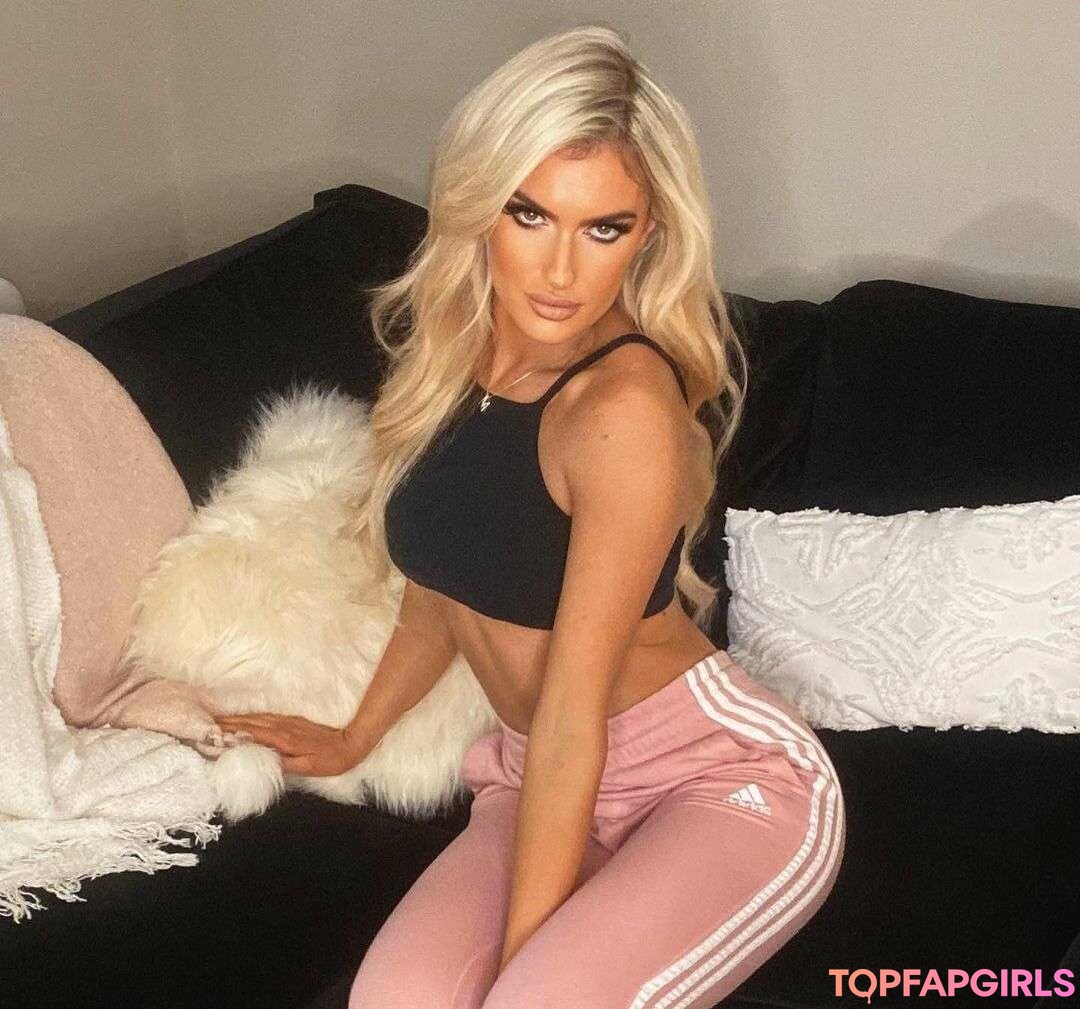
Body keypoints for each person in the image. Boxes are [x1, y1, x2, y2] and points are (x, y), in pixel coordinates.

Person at [217, 23, 846, 1009]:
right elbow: (441, 589)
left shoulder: (621, 409)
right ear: (482, 206)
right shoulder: (455, 356)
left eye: (604, 228)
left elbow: (573, 712)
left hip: (717, 781)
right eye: (530, 213)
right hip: (533, 772)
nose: (559, 271)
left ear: (650, 231)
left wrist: (522, 962)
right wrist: (353, 736)